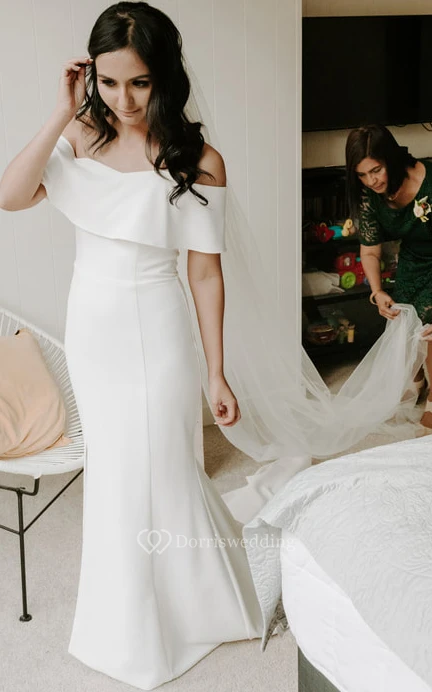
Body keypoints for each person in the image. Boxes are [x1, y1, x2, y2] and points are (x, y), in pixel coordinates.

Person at [0, 2, 266, 689]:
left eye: (140, 83)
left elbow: (204, 273)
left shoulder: (198, 161)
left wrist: (216, 373)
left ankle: (185, 611)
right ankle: (127, 619)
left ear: (165, 77)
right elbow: (10, 195)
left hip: (156, 328)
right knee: (117, 474)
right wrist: (60, 112)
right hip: (92, 329)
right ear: (91, 76)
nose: (124, 100)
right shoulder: (77, 138)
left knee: (161, 466)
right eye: (110, 82)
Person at [345, 124, 432, 428]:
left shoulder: (428, 179)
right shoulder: (370, 196)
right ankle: (419, 381)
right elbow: (370, 252)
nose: (371, 181)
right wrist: (377, 291)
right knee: (404, 325)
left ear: (391, 159)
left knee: (430, 327)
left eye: (376, 170)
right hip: (413, 262)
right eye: (362, 175)